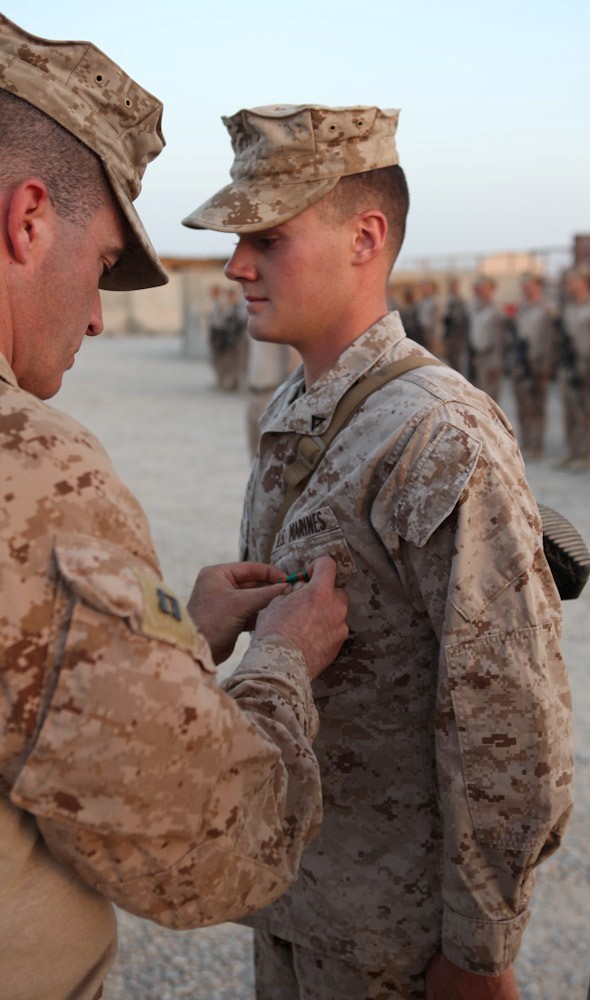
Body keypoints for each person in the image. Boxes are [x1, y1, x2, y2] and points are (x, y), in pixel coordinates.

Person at [182, 103, 573, 1000]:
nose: (237, 265)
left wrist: (480, 950)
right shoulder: (295, 405)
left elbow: (509, 716)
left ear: (365, 238)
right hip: (299, 897)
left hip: (393, 943)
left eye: (267, 239)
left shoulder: (439, 434)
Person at [0, 20, 349, 1000]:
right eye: (101, 263)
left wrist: (173, 641)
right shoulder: (33, 467)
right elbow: (212, 842)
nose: (97, 313)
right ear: (29, 221)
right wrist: (281, 661)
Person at [509, 275, 555, 460]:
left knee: (537, 407)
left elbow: (551, 341)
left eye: (530, 285)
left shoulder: (547, 309)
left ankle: (537, 445)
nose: (526, 288)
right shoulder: (522, 309)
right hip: (521, 364)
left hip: (538, 364)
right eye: (524, 285)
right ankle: (526, 443)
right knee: (523, 406)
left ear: (538, 286)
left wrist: (547, 367)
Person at [555, 268, 590, 471]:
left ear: (584, 282)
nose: (570, 285)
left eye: (573, 281)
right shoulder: (569, 308)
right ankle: (572, 450)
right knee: (569, 409)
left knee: (584, 411)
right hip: (569, 364)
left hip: (585, 365)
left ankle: (585, 454)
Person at [467, 275, 507, 401]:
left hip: (489, 358)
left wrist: (495, 364)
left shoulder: (496, 311)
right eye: (480, 287)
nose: (482, 290)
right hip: (476, 357)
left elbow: (500, 340)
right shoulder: (474, 308)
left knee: (490, 398)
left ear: (491, 289)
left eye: (485, 287)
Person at [442, 276, 469, 375]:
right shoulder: (448, 300)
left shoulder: (460, 301)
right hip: (450, 335)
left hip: (457, 336)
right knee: (450, 361)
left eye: (454, 286)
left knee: (457, 362)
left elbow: (460, 320)